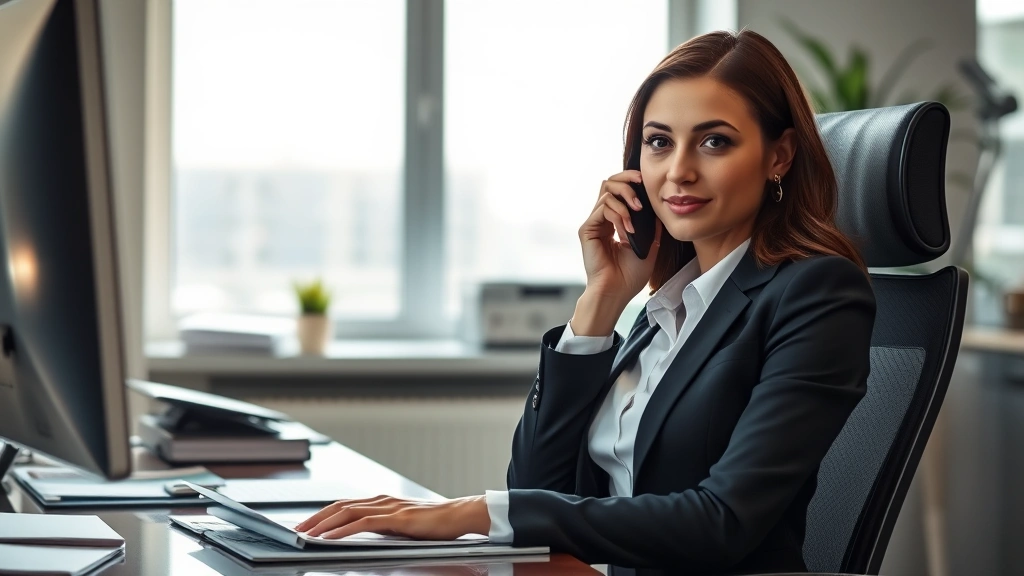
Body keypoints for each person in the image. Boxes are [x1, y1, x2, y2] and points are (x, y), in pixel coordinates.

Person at [295, 29, 876, 575]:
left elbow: (722, 522)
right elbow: (538, 481)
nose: (678, 172)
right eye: (658, 143)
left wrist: (475, 512)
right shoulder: (667, 311)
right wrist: (601, 302)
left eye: (714, 141)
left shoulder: (817, 292)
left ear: (780, 156)